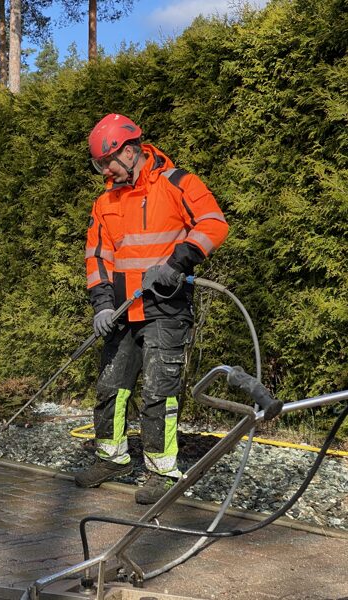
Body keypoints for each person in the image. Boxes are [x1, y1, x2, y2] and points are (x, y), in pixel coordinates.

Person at [75, 114, 229, 504]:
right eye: (99, 164)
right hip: (122, 313)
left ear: (129, 151)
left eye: (107, 162)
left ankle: (163, 472)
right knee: (110, 387)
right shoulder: (105, 202)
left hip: (166, 307)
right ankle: (112, 458)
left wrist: (176, 264)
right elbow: (97, 256)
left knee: (160, 392)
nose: (104, 171)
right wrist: (102, 305)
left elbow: (213, 224)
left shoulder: (178, 183)